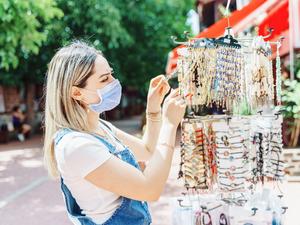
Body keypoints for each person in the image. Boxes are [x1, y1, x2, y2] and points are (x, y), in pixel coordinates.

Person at [43, 41, 186, 225]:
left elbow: (147, 150)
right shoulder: (76, 146)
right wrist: (169, 124)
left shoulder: (101, 127)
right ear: (77, 93)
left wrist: (153, 109)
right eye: (104, 79)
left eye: (111, 74)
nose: (114, 83)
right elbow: (150, 189)